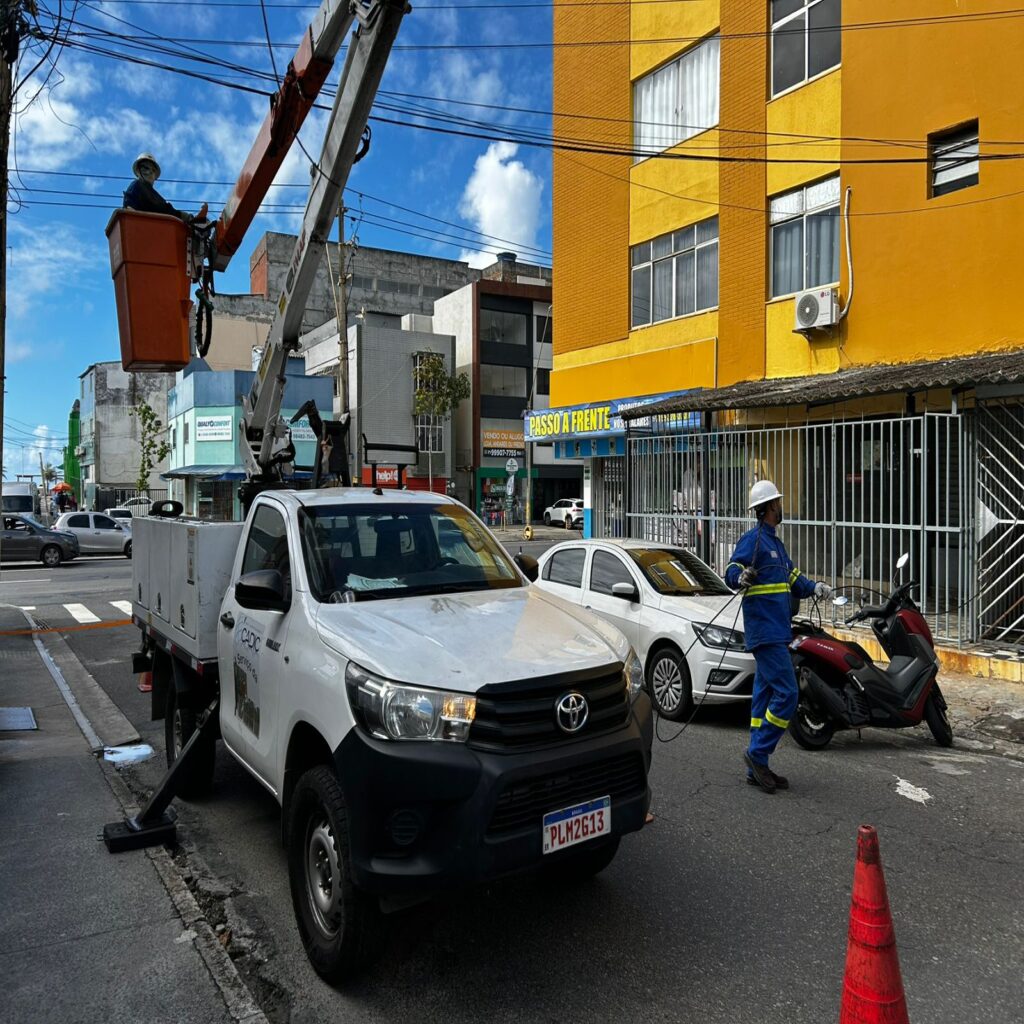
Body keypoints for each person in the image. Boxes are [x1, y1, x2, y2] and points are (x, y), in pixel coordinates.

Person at [724, 480, 833, 794]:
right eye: (778, 503)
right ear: (770, 507)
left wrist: (816, 588)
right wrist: (739, 576)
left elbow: (793, 577)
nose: (781, 507)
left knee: (763, 698)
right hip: (765, 632)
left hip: (776, 631)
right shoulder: (754, 540)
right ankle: (758, 755)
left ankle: (757, 767)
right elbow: (732, 568)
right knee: (787, 694)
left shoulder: (776, 544)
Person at [123, 153, 195, 222]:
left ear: (155, 176)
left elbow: (170, 211)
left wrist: (189, 218)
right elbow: (129, 209)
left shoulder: (157, 198)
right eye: (145, 168)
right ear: (138, 171)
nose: (150, 172)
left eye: (153, 170)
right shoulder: (136, 186)